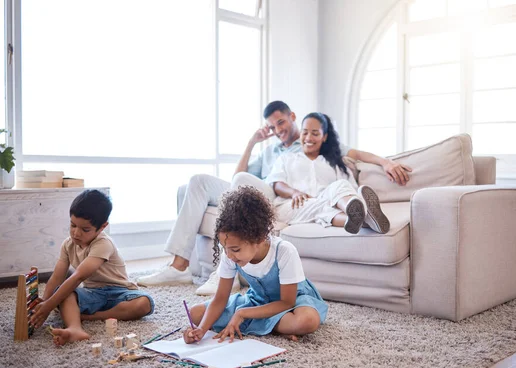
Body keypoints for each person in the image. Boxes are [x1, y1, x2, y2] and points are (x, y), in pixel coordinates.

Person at [137, 101, 411, 294]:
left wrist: (386, 163)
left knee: (253, 185)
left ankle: (227, 268)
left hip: (274, 197)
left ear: (293, 117)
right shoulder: (271, 152)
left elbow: (355, 154)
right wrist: (253, 142)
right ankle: (179, 265)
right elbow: (238, 176)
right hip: (264, 191)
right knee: (197, 183)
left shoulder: (314, 146)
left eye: (281, 122)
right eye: (272, 126)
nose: (278, 129)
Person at [184, 186, 327, 344]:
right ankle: (275, 327)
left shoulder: (284, 251)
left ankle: (260, 323)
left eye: (235, 250)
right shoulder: (230, 255)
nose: (229, 255)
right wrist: (202, 330)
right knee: (195, 314)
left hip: (292, 303)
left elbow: (287, 302)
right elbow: (220, 299)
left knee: (306, 320)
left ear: (258, 239)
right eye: (225, 249)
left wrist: (243, 313)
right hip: (258, 301)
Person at [30, 190, 154, 346]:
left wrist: (50, 305)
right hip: (92, 294)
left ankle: (88, 317)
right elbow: (57, 278)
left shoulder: (103, 244)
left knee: (145, 303)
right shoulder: (68, 245)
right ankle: (75, 328)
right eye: (73, 225)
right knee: (64, 293)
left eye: (85, 229)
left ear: (102, 227)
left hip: (119, 292)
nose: (76, 233)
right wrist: (46, 302)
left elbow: (78, 276)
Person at [266, 112, 389, 234]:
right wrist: (294, 193)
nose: (308, 138)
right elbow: (277, 183)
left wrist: (385, 162)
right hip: (293, 205)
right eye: (305, 132)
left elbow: (349, 188)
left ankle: (355, 213)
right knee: (320, 207)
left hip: (326, 201)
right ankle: (368, 220)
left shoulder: (334, 163)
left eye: (315, 133)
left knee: (341, 184)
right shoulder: (286, 158)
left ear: (324, 137)